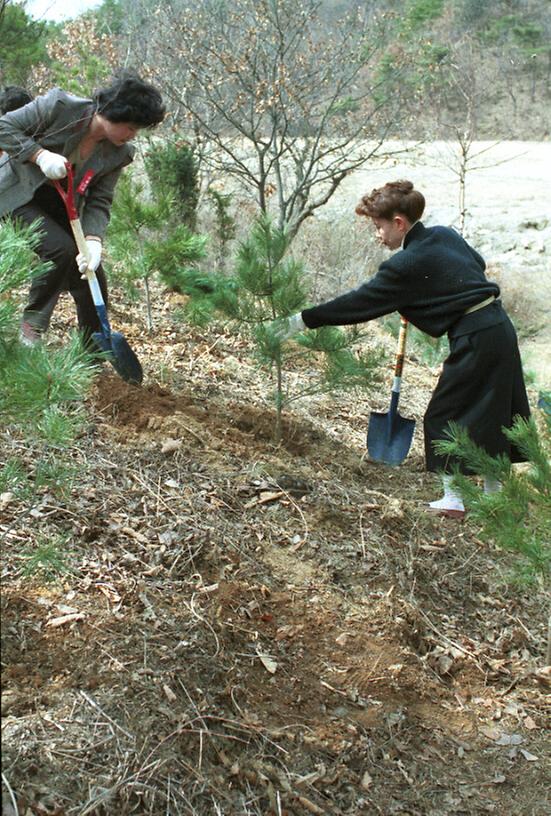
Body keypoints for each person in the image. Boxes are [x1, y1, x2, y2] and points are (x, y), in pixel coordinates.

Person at [275, 180, 530, 517]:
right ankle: (495, 497)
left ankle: (453, 500)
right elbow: (476, 264)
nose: (377, 236)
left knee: (444, 413)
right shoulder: (444, 234)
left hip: (476, 335)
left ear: (398, 223)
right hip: (498, 325)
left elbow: (359, 302)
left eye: (379, 227)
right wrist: (427, 294)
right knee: (496, 409)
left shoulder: (405, 265)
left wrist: (302, 320)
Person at [0, 72, 165, 347]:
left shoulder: (118, 153)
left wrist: (93, 241)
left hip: (59, 207)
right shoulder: (59, 107)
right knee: (60, 250)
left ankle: (94, 351)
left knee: (92, 274)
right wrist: (39, 155)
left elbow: (100, 200)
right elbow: (4, 127)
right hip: (15, 196)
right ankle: (32, 326)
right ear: (116, 113)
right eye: (132, 127)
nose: (133, 135)